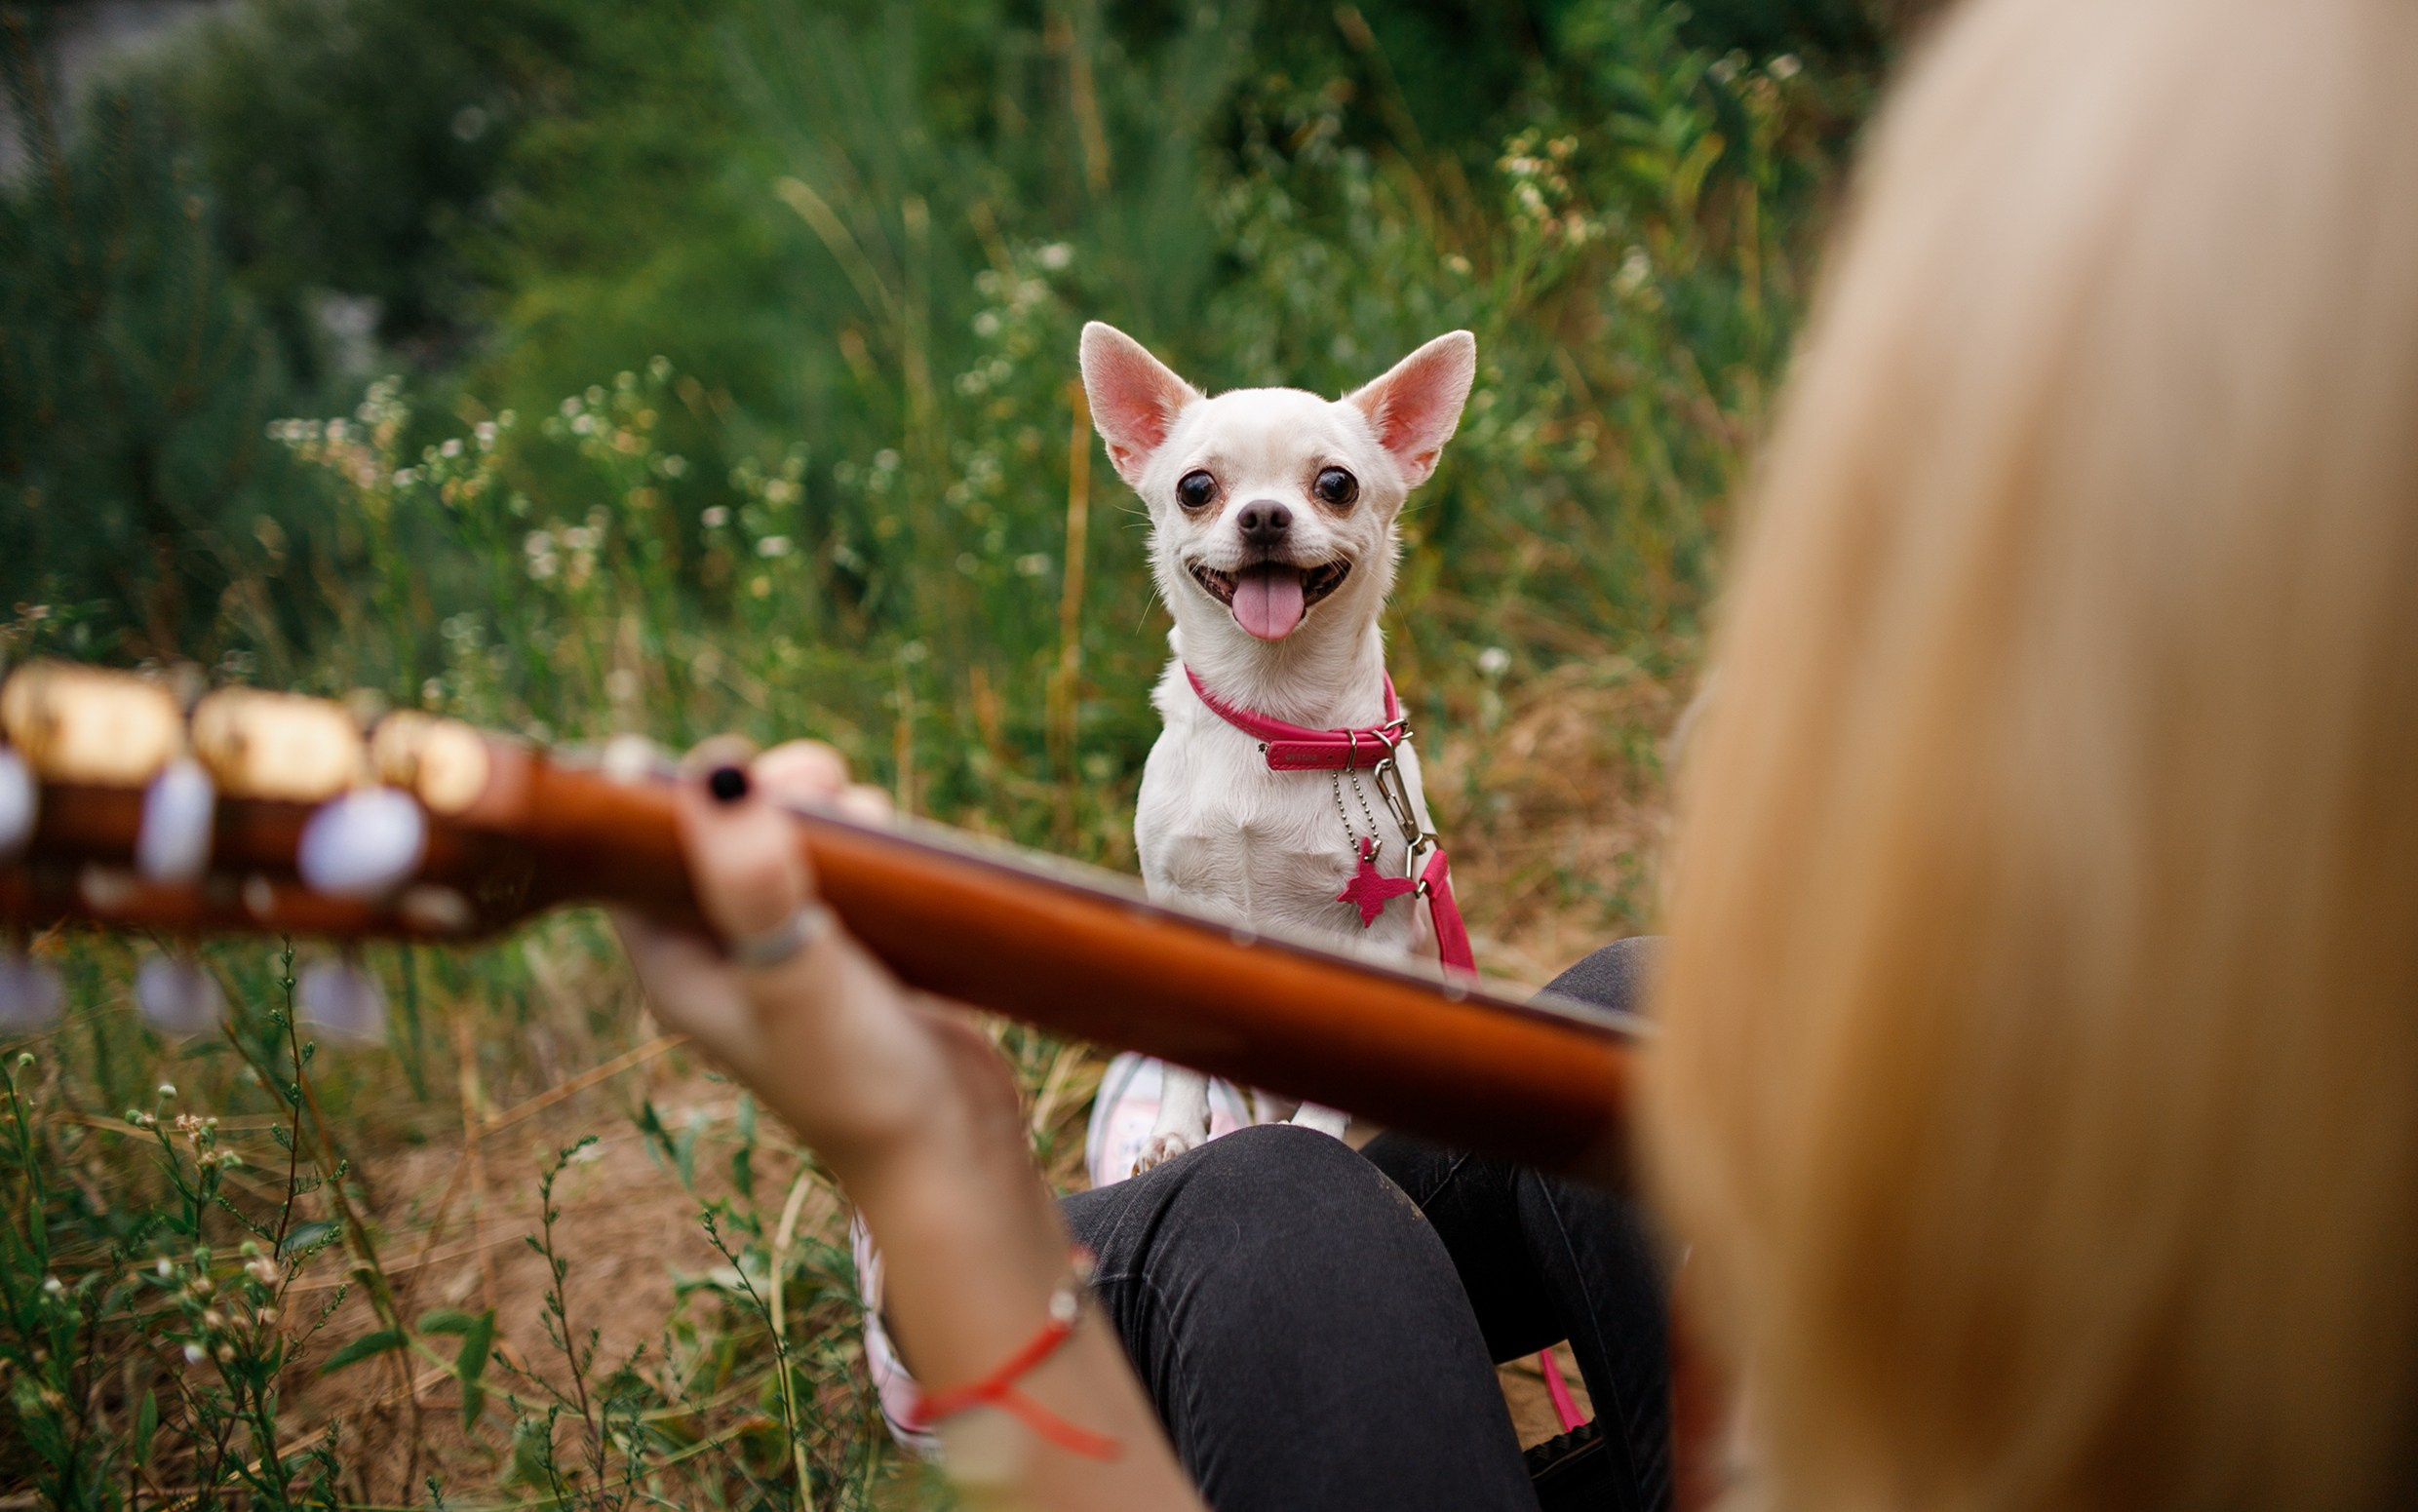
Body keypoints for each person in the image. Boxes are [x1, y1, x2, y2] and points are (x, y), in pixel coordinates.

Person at [617, 0, 2418, 1504]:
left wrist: (929, 1174)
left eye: (1323, 488)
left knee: (1284, 1220)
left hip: (1321, 1203)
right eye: (1207, 493)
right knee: (1631, 1003)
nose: (1263, 525)